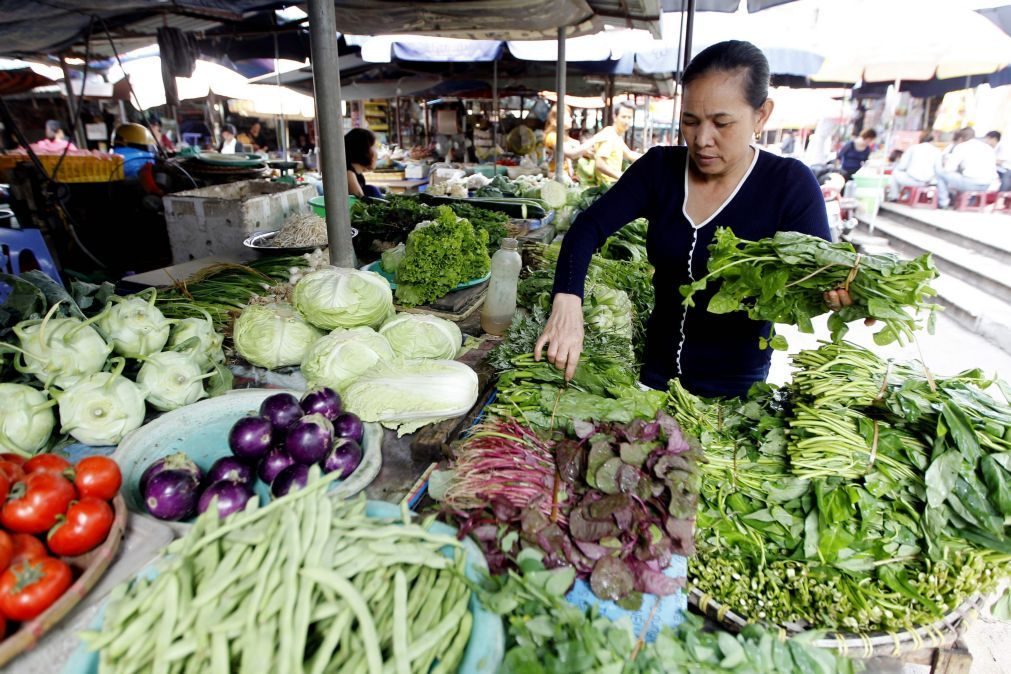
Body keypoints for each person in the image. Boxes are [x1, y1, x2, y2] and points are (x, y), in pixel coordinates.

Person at [534, 40, 856, 399]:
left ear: (761, 115)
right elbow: (587, 227)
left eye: (722, 123)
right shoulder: (659, 170)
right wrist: (567, 302)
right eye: (690, 121)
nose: (702, 140)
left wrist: (840, 295)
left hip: (737, 391)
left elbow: (819, 277)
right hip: (654, 374)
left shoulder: (788, 184)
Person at [935, 127, 998, 208]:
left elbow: (949, 168)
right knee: (961, 177)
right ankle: (963, 203)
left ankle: (944, 203)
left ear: (960, 138)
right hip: (987, 184)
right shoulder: (988, 147)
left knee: (941, 174)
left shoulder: (962, 146)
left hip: (971, 183)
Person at [590, 102, 642, 186]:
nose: (627, 121)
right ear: (615, 117)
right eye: (623, 117)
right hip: (608, 186)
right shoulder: (609, 135)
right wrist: (622, 176)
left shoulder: (616, 136)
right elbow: (600, 164)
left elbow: (629, 154)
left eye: (629, 117)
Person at [544, 104, 597, 178]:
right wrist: (595, 138)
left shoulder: (563, 136)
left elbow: (576, 145)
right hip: (556, 179)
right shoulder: (552, 136)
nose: (571, 119)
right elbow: (571, 154)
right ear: (556, 119)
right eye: (568, 116)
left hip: (565, 177)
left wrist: (588, 151)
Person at [886, 132, 941, 200]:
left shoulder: (913, 148)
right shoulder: (937, 151)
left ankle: (894, 196)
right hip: (928, 182)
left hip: (912, 180)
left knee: (895, 172)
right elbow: (939, 170)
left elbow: (902, 166)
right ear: (932, 140)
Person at [345, 127, 381, 199]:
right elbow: (359, 201)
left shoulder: (357, 174)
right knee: (371, 190)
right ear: (364, 150)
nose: (376, 153)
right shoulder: (349, 173)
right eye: (374, 147)